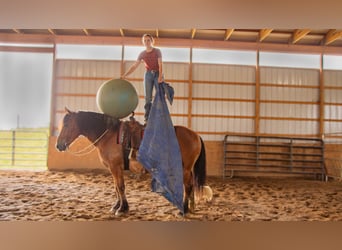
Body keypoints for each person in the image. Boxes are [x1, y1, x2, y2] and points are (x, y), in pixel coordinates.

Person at [121, 34, 163, 122]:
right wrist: (125, 75)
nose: (146, 42)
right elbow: (134, 66)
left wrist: (160, 76)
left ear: (152, 41)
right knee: (148, 98)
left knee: (159, 95)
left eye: (148, 40)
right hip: (148, 75)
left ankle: (160, 116)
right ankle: (147, 118)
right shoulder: (142, 54)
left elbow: (160, 64)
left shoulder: (157, 51)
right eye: (145, 41)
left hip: (158, 73)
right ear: (143, 42)